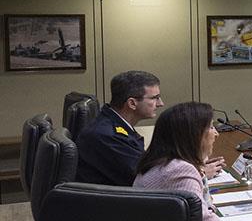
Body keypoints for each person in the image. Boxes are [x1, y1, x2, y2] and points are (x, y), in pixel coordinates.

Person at [75, 70, 224, 185]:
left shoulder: (115, 124)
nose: (160, 104)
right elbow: (146, 179)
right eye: (154, 98)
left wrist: (192, 163)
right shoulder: (107, 136)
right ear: (132, 103)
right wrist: (199, 172)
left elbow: (147, 166)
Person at [132, 101, 222, 221]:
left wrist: (200, 162)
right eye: (210, 127)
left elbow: (205, 205)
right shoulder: (180, 170)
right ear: (194, 135)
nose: (216, 133)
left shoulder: (164, 161)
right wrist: (214, 216)